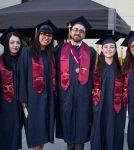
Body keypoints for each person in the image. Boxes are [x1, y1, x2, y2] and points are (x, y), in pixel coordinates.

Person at [55, 16, 96, 150]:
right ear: (71, 31)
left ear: (85, 34)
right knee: (67, 122)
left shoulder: (90, 51)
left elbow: (94, 73)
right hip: (65, 94)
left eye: (81, 31)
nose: (77, 32)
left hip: (83, 95)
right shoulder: (59, 50)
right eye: (75, 29)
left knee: (82, 124)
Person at [17, 20, 57, 150]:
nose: (46, 37)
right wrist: (23, 98)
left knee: (43, 129)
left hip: (48, 98)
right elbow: (21, 75)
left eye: (49, 35)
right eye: (43, 34)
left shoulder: (50, 54)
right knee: (36, 131)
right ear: (38, 34)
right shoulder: (26, 52)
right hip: (33, 99)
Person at [91, 35, 126, 150]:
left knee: (114, 133)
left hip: (116, 109)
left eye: (111, 47)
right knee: (99, 131)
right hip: (100, 108)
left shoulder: (121, 69)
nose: (108, 49)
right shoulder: (96, 68)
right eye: (105, 47)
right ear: (102, 49)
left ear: (115, 50)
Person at [0, 27, 23, 150]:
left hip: (19, 103)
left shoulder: (22, 60)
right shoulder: (1, 61)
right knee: (6, 133)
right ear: (6, 43)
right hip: (5, 104)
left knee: (15, 133)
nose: (15, 45)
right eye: (12, 42)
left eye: (18, 42)